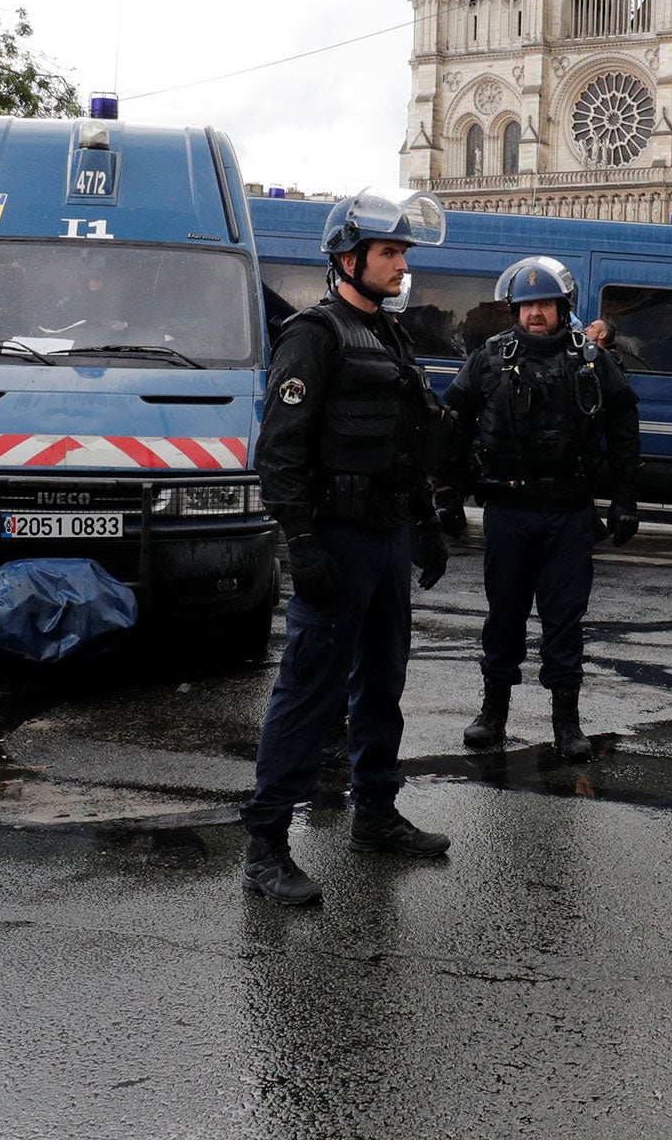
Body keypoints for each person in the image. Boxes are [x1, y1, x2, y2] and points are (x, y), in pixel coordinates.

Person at [241, 188, 452, 907]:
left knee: (383, 683)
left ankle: (376, 814)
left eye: (402, 253)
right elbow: (280, 453)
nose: (401, 266)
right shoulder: (314, 335)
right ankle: (265, 846)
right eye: (390, 252)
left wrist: (424, 523)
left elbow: (406, 442)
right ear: (347, 257)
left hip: (387, 536)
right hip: (334, 537)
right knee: (308, 692)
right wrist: (300, 543)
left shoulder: (393, 337)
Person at [440, 256, 640, 760]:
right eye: (527, 304)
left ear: (562, 308)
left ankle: (566, 722)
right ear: (515, 309)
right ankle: (493, 713)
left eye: (545, 304)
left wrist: (623, 499)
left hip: (569, 512)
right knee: (504, 616)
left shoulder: (591, 358)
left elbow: (623, 425)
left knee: (565, 620)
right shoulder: (489, 357)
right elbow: (454, 423)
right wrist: (446, 495)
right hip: (508, 509)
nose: (535, 313)